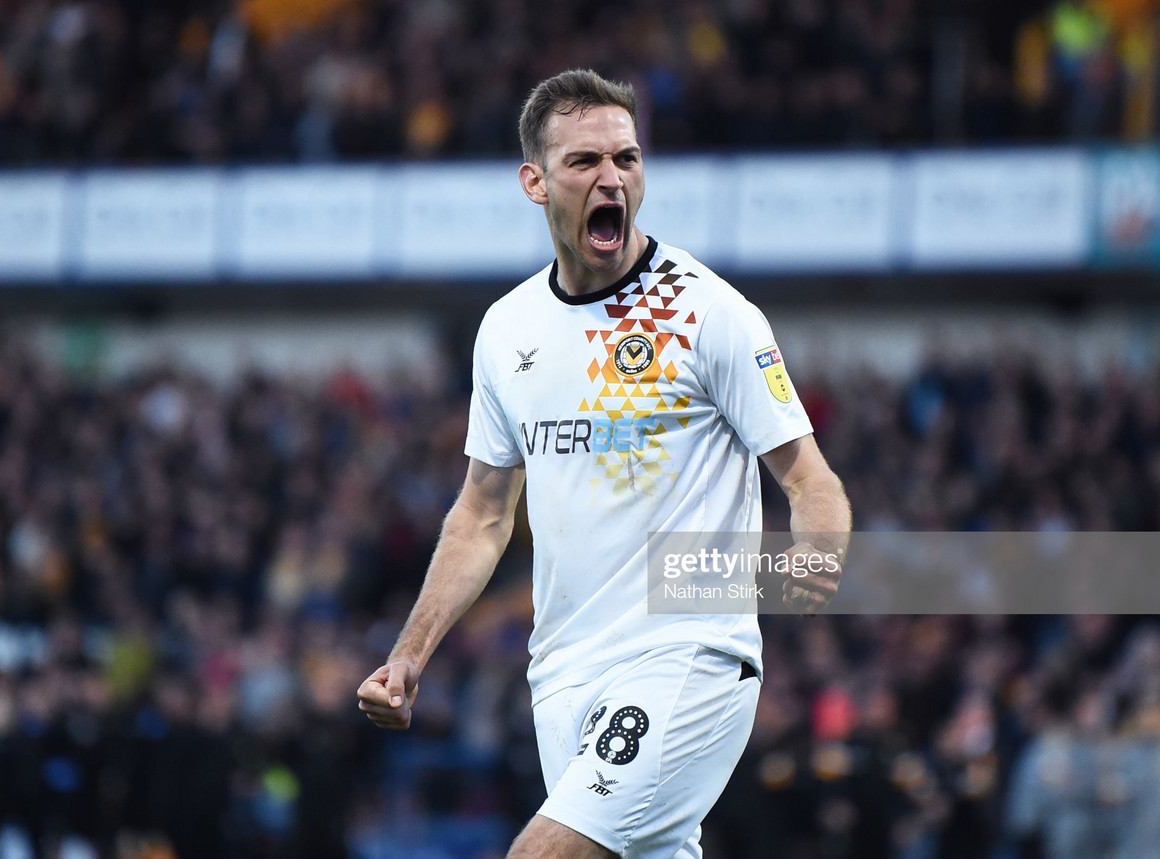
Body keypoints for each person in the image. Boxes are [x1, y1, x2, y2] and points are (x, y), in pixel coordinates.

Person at [358, 68, 851, 859]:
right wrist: (408, 655)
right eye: (586, 161)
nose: (612, 177)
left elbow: (809, 478)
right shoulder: (507, 329)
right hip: (562, 676)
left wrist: (816, 555)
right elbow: (482, 515)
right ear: (535, 181)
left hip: (687, 657)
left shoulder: (706, 313)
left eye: (626, 158)